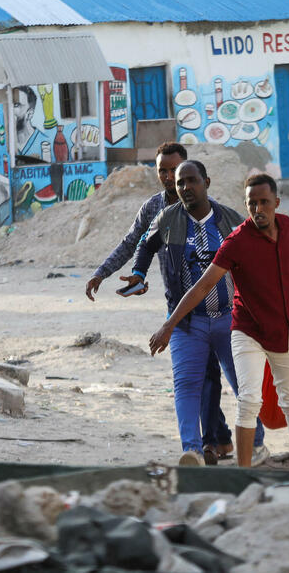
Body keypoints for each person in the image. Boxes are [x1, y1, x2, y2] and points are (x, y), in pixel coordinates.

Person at [84, 143, 235, 464]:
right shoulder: (156, 210)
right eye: (163, 172)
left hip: (216, 305)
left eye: (176, 171)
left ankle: (214, 440)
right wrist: (110, 273)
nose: (170, 178)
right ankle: (211, 441)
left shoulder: (215, 213)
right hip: (180, 305)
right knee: (195, 377)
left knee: (213, 375)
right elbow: (134, 244)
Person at [149, 174, 289, 471]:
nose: (258, 209)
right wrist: (169, 325)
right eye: (252, 203)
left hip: (283, 328)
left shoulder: (285, 226)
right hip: (246, 329)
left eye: (264, 202)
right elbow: (201, 286)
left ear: (277, 203)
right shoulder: (236, 242)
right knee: (249, 399)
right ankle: (243, 471)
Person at [129, 161, 268, 467]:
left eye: (191, 181)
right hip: (186, 323)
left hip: (230, 319)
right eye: (180, 183)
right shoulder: (167, 219)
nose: (185, 188)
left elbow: (257, 259)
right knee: (186, 385)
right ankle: (191, 450)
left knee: (243, 384)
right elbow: (144, 245)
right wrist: (138, 274)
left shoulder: (230, 219)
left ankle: (257, 445)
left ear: (206, 181)